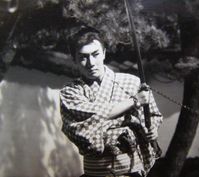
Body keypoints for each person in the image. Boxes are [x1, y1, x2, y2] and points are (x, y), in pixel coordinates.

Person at [60, 30, 163, 177]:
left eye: (95, 54)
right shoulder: (70, 92)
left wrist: (152, 127)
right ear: (74, 59)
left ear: (104, 53)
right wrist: (133, 101)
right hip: (95, 172)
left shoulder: (132, 82)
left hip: (132, 168)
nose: (91, 63)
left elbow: (153, 114)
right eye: (83, 57)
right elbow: (96, 115)